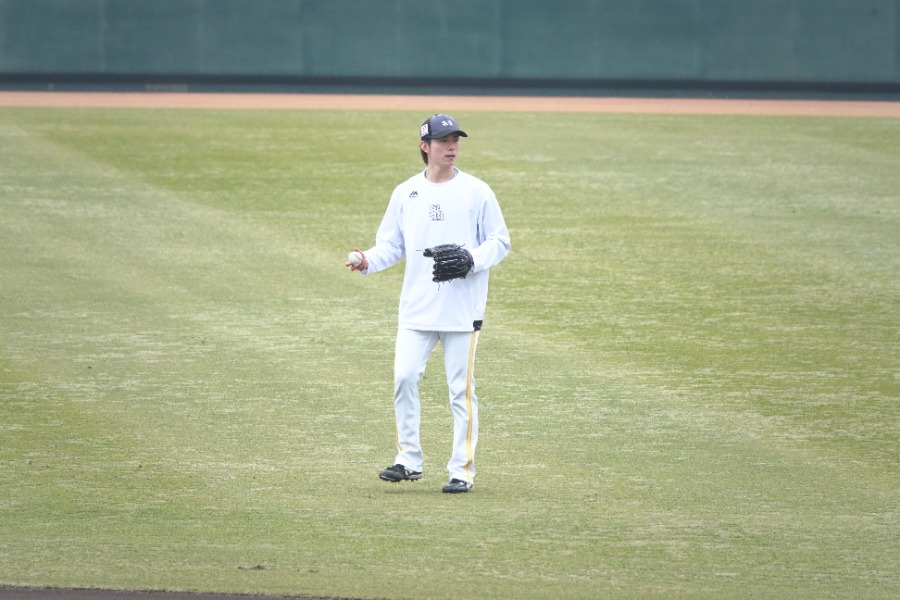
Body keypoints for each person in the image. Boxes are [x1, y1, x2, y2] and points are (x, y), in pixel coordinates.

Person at [345, 114, 510, 493]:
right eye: (443, 141)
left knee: (460, 392)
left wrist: (471, 259)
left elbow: (500, 241)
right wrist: (368, 260)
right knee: (404, 378)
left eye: (455, 140)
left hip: (462, 310)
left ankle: (461, 471)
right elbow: (392, 244)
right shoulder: (406, 193)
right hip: (416, 308)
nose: (451, 147)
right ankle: (408, 460)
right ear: (425, 146)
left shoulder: (477, 191)